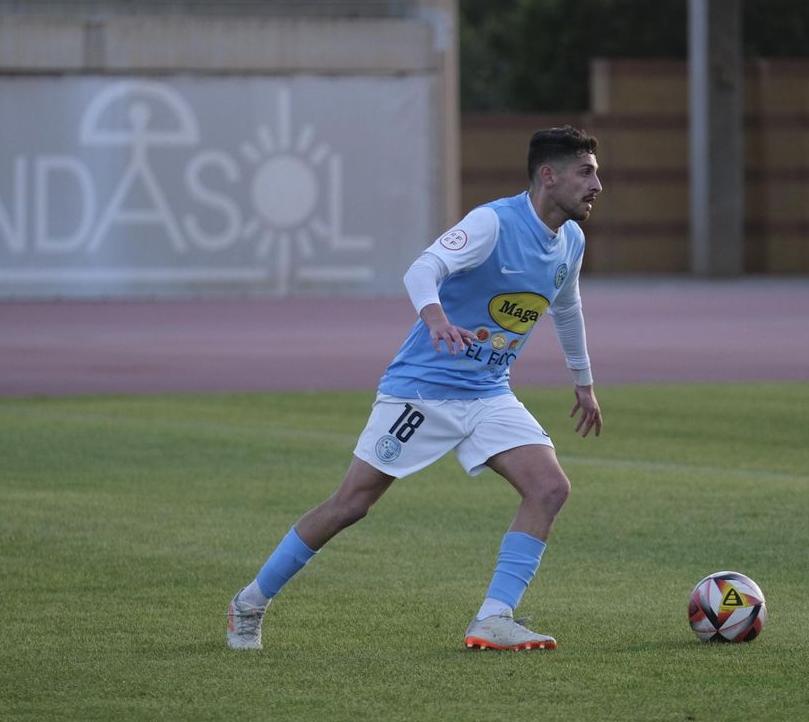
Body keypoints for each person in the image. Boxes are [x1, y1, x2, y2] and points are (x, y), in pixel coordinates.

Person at [227, 125, 605, 652]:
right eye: (585, 171)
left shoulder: (572, 241)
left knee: (550, 488)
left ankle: (494, 618)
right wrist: (434, 319)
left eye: (596, 172)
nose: (597, 185)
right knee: (351, 504)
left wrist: (583, 384)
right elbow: (422, 268)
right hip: (421, 391)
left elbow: (566, 307)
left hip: (488, 393)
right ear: (549, 175)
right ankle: (249, 603)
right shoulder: (492, 223)